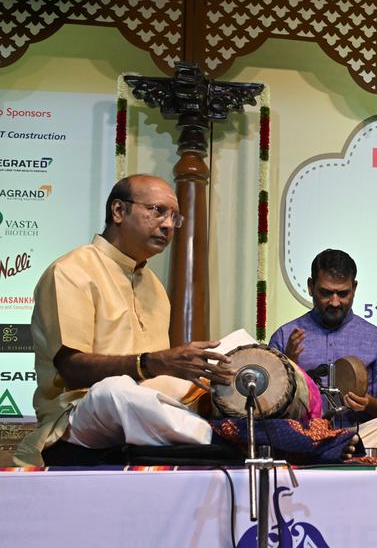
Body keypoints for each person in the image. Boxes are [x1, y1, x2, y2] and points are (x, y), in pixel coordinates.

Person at [15, 175, 236, 467]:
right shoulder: (70, 271)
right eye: (158, 211)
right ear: (119, 211)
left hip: (142, 404)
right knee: (114, 392)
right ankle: (220, 441)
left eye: (174, 217)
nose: (168, 225)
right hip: (78, 413)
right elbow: (72, 370)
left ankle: (233, 429)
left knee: (222, 382)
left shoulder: (155, 287)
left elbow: (156, 380)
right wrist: (152, 363)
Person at [269, 249, 377, 454]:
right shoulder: (285, 337)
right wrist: (289, 365)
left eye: (343, 294)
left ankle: (342, 445)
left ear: (354, 288)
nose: (335, 302)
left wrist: (368, 403)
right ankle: (331, 447)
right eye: (326, 293)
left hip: (360, 437)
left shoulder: (376, 339)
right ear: (311, 286)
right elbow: (270, 407)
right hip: (304, 438)